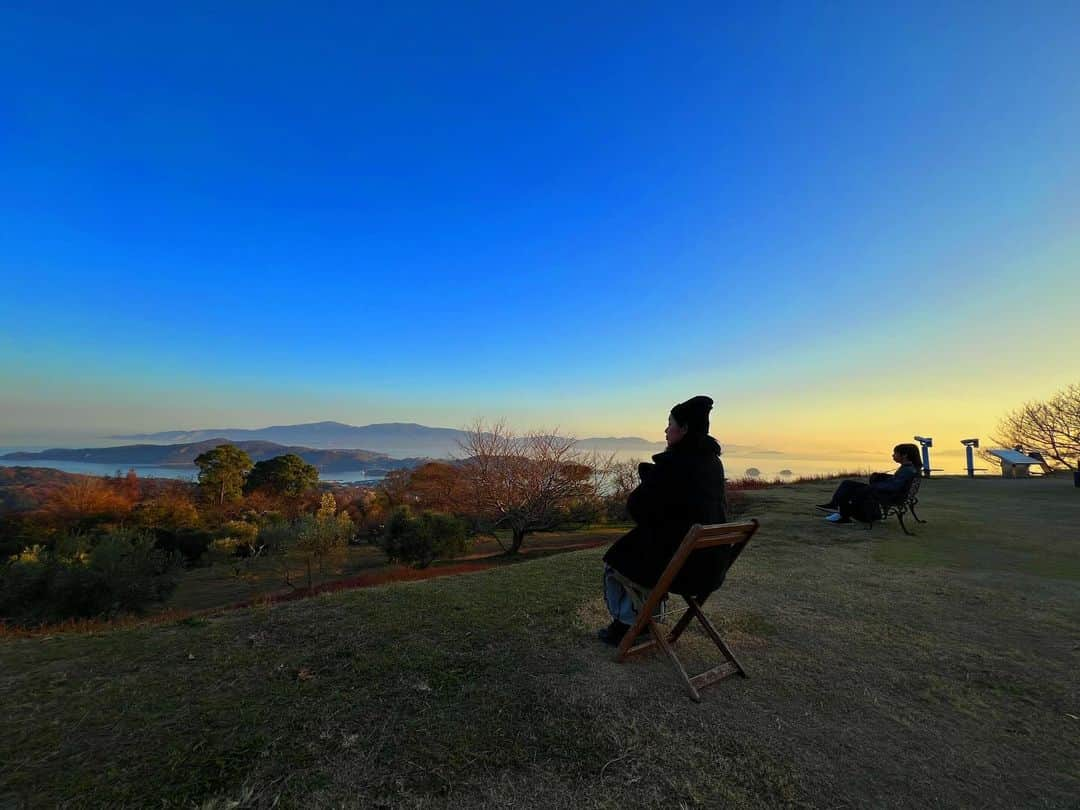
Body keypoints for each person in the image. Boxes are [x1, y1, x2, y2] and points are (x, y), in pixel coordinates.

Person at [598, 395, 728, 646]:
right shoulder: (713, 463)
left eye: (670, 423)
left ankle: (628, 626)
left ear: (685, 429)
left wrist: (651, 477)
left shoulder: (675, 464)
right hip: (710, 566)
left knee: (616, 564)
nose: (666, 429)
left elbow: (637, 507)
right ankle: (642, 621)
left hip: (683, 569)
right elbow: (686, 506)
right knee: (641, 558)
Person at [816, 444, 922, 524]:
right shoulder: (908, 468)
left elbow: (894, 486)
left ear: (904, 455)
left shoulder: (907, 470)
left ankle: (843, 514)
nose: (893, 455)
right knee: (847, 483)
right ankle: (835, 506)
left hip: (889, 495)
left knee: (854, 490)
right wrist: (881, 477)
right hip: (888, 492)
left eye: (895, 453)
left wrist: (875, 486)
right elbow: (897, 481)